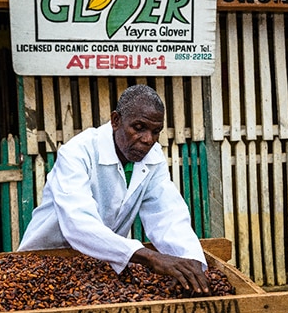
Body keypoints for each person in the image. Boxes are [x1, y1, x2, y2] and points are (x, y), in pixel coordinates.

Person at [18, 84, 209, 294]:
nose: (148, 140)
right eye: (139, 128)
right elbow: (79, 224)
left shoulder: (153, 159)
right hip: (42, 265)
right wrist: (151, 257)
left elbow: (167, 216)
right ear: (116, 120)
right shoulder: (77, 153)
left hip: (101, 270)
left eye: (156, 132)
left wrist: (192, 264)